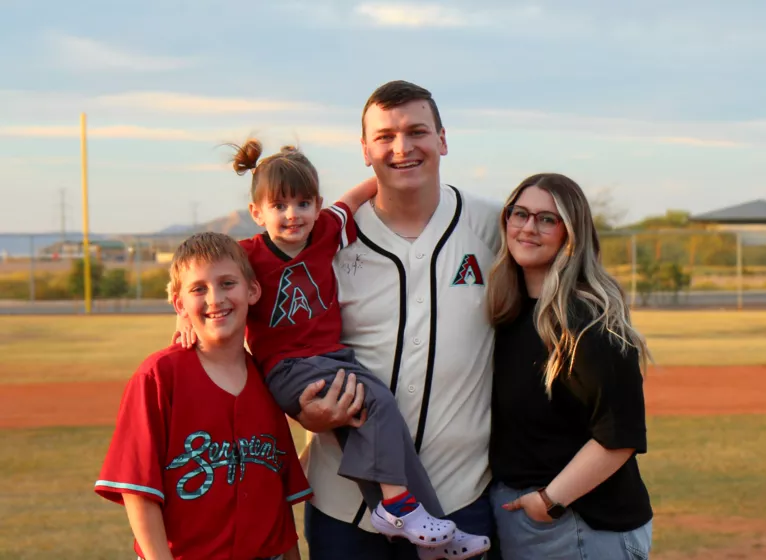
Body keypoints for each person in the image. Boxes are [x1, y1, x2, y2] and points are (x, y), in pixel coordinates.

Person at [200, 140, 469, 550]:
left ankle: (431, 539)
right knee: (376, 404)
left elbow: (355, 197)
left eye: (303, 203)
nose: (294, 215)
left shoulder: (326, 229)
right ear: (257, 213)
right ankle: (398, 508)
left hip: (331, 359)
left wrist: (386, 172)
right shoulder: (246, 256)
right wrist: (185, 319)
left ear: (317, 204)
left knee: (382, 429)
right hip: (289, 368)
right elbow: (202, 278)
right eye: (279, 206)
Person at [297, 80, 502, 560]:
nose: (402, 147)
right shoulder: (326, 241)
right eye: (385, 136)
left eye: (417, 132)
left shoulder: (496, 225)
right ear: (365, 149)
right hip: (346, 507)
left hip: (460, 499)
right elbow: (270, 344)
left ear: (443, 139)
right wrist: (304, 412)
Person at [95, 232, 311, 560]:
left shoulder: (266, 379)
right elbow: (139, 492)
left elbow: (276, 495)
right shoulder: (158, 376)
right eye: (198, 289)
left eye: (227, 283)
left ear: (252, 290)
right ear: (180, 304)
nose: (215, 299)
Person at [486, 173, 653, 559]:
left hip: (579, 524)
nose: (529, 227)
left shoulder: (587, 320)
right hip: (526, 520)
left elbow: (619, 435)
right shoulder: (509, 311)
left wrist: (549, 501)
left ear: (571, 233)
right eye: (520, 214)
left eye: (547, 219)